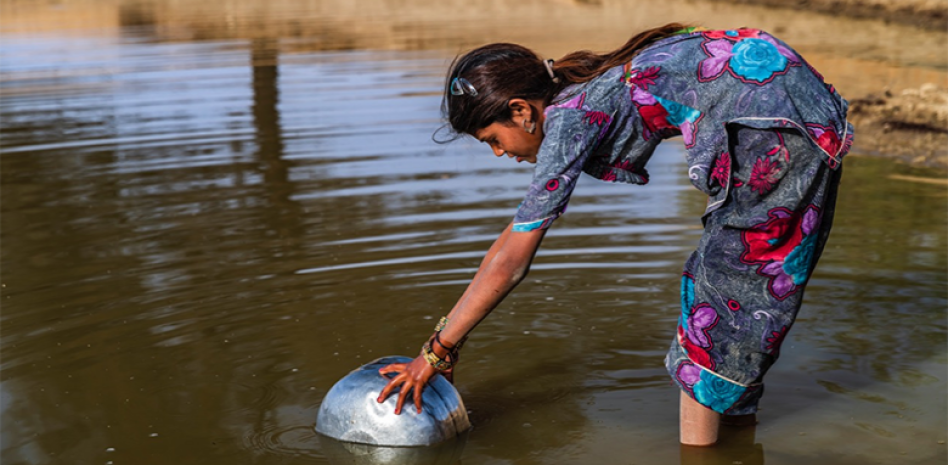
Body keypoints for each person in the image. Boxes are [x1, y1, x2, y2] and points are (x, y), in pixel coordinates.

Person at [376, 23, 853, 446]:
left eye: (494, 140)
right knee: (753, 294)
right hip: (796, 108)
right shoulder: (584, 92)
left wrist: (436, 353)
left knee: (720, 300)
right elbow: (511, 237)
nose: (500, 154)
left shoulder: (568, 118)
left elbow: (513, 259)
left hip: (770, 123)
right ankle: (735, 443)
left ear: (521, 110)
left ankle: (699, 457)